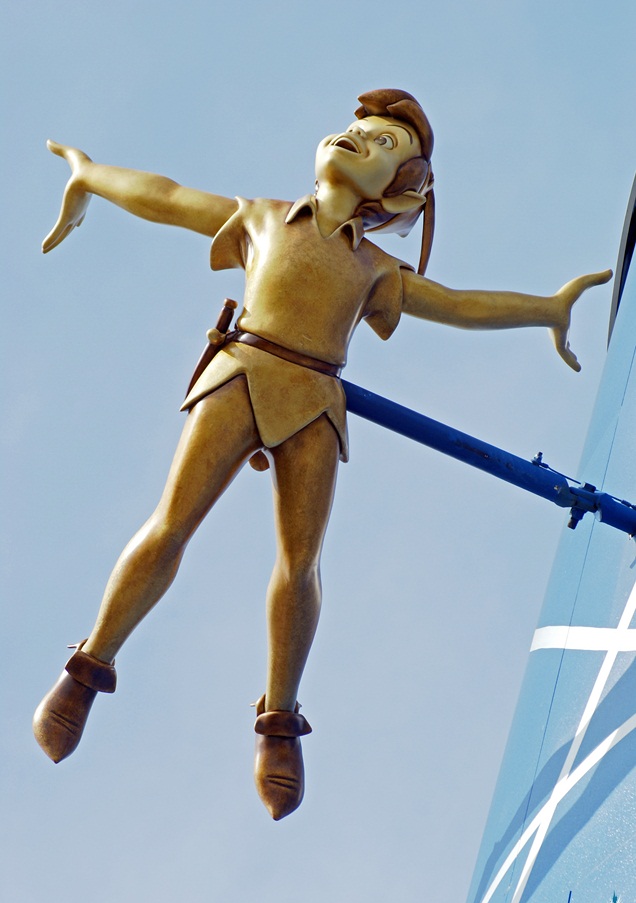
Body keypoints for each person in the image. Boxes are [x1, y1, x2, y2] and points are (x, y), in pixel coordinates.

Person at [33, 89, 610, 820]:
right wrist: (90, 175)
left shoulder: (376, 268)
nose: (357, 138)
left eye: (384, 145)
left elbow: (459, 304)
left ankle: (279, 722)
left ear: (401, 192)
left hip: (314, 399)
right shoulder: (261, 218)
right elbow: (168, 198)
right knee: (171, 524)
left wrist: (545, 309)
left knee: (300, 561)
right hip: (240, 374)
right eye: (358, 129)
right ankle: (88, 669)